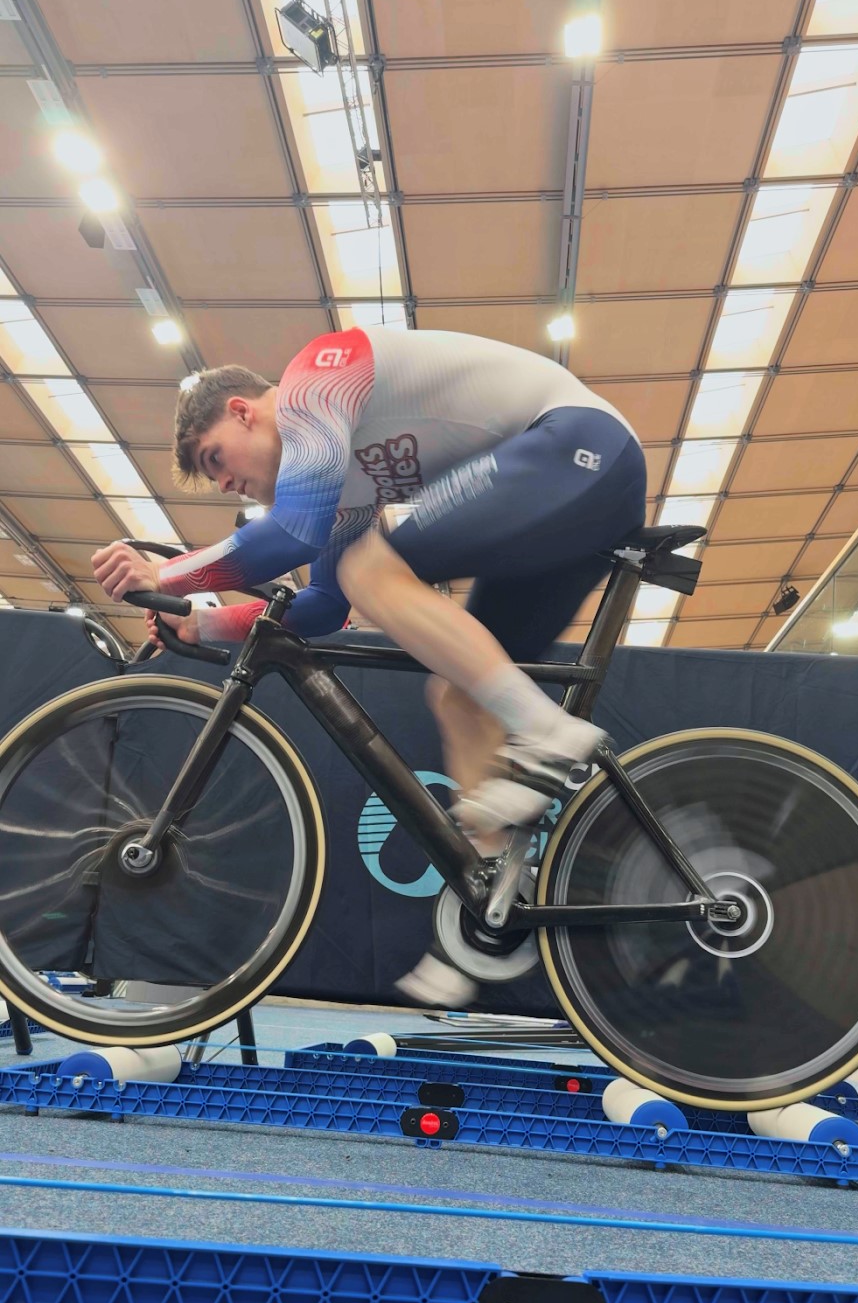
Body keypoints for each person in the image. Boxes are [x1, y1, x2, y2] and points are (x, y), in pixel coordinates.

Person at [92, 326, 646, 1005]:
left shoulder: (315, 378)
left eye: (216, 459)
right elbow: (324, 606)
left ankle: (551, 733)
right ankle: (492, 907)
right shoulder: (345, 481)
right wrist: (204, 621)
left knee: (368, 564)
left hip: (580, 446)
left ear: (241, 409)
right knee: (458, 695)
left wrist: (167, 572)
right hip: (568, 492)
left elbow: (292, 533)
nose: (226, 481)